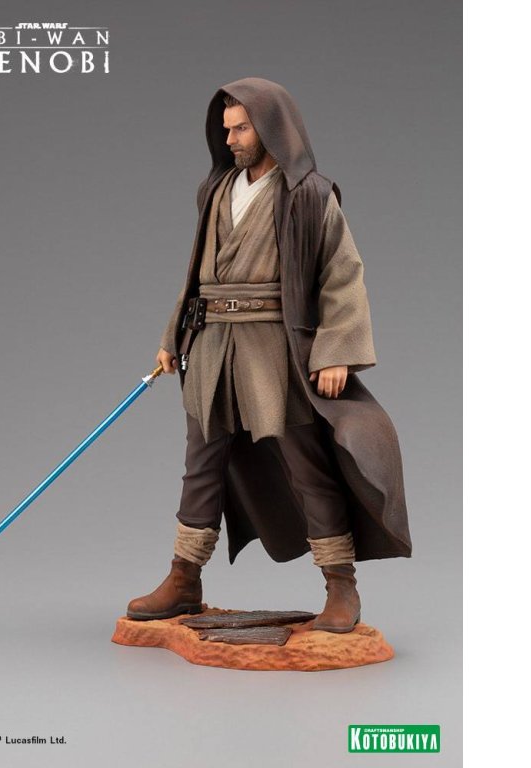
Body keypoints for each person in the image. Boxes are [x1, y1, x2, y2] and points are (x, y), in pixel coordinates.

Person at [126, 77, 411, 633]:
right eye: (226, 129)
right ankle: (185, 577)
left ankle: (341, 584)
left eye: (241, 129)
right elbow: (196, 273)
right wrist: (171, 337)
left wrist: (335, 350)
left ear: (271, 127)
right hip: (211, 343)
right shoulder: (216, 189)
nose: (230, 139)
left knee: (306, 464)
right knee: (201, 465)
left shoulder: (308, 195)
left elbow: (342, 274)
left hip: (274, 348)